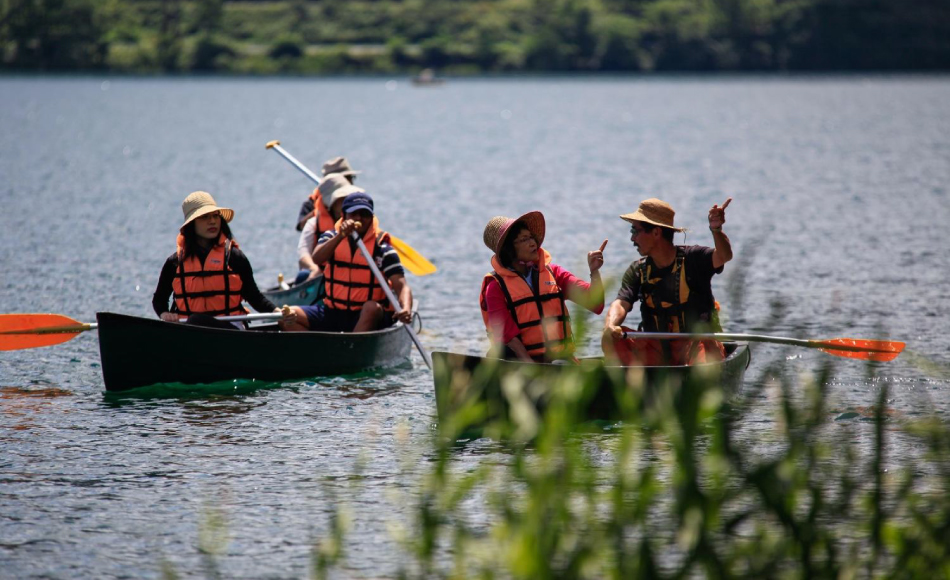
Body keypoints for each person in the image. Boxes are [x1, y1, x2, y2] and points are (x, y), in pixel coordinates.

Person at [602, 197, 733, 365]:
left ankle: (697, 374)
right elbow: (621, 303)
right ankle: (634, 376)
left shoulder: (694, 258)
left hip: (696, 344)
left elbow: (724, 256)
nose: (632, 239)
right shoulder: (637, 270)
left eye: (635, 231)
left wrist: (716, 230)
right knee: (611, 339)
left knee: (703, 361)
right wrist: (610, 325)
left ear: (656, 233)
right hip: (658, 348)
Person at [153, 191, 295, 330]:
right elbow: (159, 300)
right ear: (191, 224)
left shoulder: (235, 258)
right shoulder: (174, 263)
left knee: (196, 320)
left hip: (231, 331)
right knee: (195, 321)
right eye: (204, 217)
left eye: (215, 216)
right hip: (190, 331)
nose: (212, 221)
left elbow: (255, 297)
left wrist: (278, 312)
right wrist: (164, 314)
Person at [479, 211, 607, 363]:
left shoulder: (554, 273)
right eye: (524, 239)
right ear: (508, 249)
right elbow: (506, 335)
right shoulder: (495, 287)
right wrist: (531, 367)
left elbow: (595, 303)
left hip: (560, 360)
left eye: (531, 237)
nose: (533, 243)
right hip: (523, 363)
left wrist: (594, 271)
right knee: (499, 352)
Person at [281, 192, 412, 333]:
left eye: (364, 214)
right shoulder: (330, 237)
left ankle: (352, 344)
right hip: (332, 312)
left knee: (371, 307)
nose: (359, 218)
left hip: (366, 316)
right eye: (354, 214)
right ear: (343, 215)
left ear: (372, 217)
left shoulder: (382, 249)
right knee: (286, 317)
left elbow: (402, 286)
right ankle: (318, 346)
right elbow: (317, 258)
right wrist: (341, 235)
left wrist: (406, 308)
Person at [295, 173, 364, 283]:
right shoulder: (313, 223)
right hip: (322, 276)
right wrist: (315, 269)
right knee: (303, 276)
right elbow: (303, 256)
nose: (346, 202)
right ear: (331, 203)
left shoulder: (361, 222)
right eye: (342, 198)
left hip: (351, 275)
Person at [294, 157, 361, 232]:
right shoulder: (312, 203)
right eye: (346, 177)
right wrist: (320, 209)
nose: (350, 181)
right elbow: (301, 226)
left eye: (350, 177)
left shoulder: (358, 199)